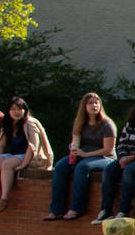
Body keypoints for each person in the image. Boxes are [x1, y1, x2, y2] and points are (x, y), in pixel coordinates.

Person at [45, 92, 117, 220]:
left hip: (104, 158)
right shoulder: (79, 122)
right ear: (84, 106)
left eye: (96, 102)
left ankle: (76, 208)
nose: (94, 105)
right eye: (90, 103)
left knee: (82, 167)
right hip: (83, 155)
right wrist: (73, 148)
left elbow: (108, 149)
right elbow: (76, 140)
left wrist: (86, 154)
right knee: (61, 166)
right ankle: (56, 210)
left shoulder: (107, 124)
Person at [0, 96, 51, 211]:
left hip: (28, 155)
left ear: (25, 110)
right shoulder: (7, 123)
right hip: (12, 154)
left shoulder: (29, 123)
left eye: (19, 109)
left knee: (7, 164)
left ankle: (4, 198)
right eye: (13, 109)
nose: (16, 112)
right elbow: (1, 145)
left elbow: (33, 147)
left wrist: (23, 165)